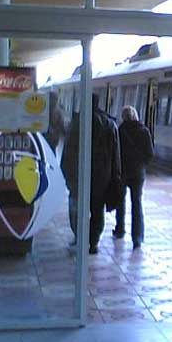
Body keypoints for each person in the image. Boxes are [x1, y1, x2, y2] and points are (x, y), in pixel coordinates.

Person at [61, 93, 121, 255]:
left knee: (77, 208)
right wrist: (115, 175)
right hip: (101, 176)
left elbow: (68, 150)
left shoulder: (77, 123)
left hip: (78, 175)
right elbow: (116, 154)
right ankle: (93, 242)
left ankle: (79, 237)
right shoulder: (109, 124)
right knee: (97, 210)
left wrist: (66, 172)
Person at [114, 105, 154, 250]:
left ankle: (120, 229)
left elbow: (115, 152)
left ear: (124, 117)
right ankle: (137, 237)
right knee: (137, 204)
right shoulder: (144, 131)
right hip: (138, 174)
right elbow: (150, 154)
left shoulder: (119, 131)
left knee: (120, 201)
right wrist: (141, 164)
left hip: (123, 172)